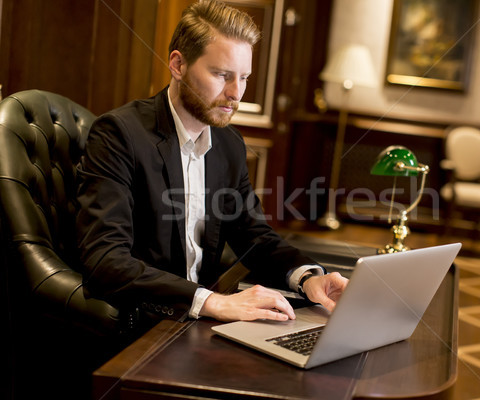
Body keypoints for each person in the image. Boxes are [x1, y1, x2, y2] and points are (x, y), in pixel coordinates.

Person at [76, 0, 347, 331]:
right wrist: (212, 301)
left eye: (244, 77)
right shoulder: (118, 134)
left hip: (199, 325)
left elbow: (254, 235)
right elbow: (105, 260)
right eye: (221, 75)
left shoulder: (228, 144)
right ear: (178, 64)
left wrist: (307, 278)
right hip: (143, 325)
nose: (236, 93)